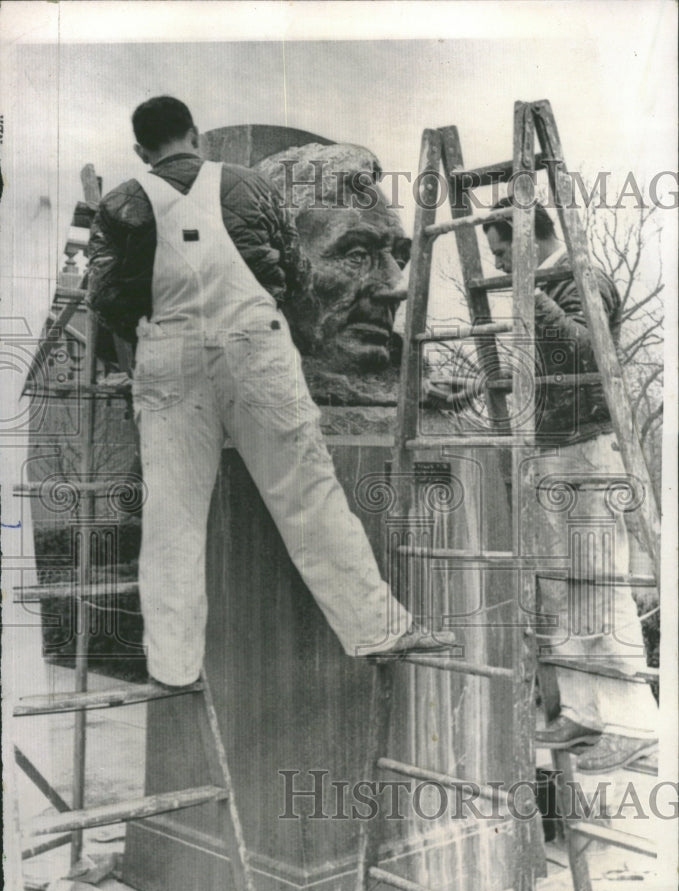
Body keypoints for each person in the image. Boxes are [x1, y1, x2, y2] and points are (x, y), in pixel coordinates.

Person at [87, 96, 449, 687]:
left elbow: (107, 295)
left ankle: (173, 667)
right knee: (307, 493)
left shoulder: (122, 203)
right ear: (195, 136)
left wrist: (152, 332)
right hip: (254, 347)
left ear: (139, 151)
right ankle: (376, 629)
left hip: (168, 360)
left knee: (172, 517)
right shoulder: (249, 186)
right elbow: (294, 272)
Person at [482, 197, 658, 774]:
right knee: (561, 586)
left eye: (505, 247)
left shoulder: (584, 279)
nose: (501, 260)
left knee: (597, 578)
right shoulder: (548, 285)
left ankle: (635, 722)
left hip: (586, 446)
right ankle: (584, 710)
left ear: (530, 237)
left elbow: (589, 354)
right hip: (553, 448)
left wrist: (531, 293)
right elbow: (543, 367)